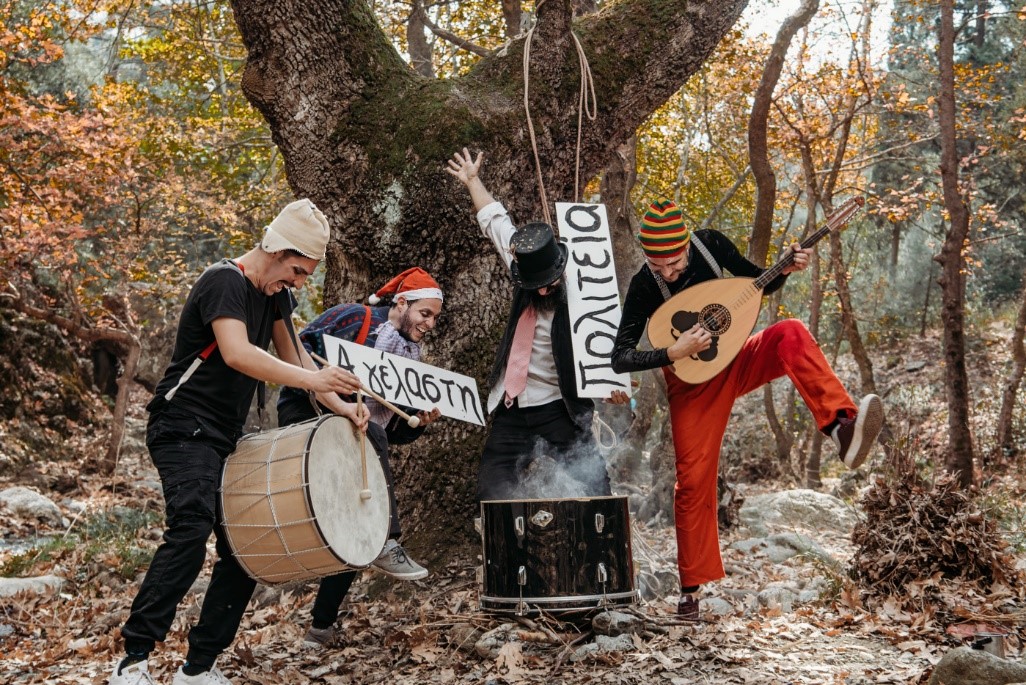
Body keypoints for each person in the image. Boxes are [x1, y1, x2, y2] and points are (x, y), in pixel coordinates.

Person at [110, 199, 368, 685]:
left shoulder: (276, 297)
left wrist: (343, 406)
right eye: (295, 270)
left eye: (305, 275)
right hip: (181, 424)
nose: (297, 282)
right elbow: (237, 353)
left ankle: (198, 668)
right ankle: (132, 660)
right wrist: (316, 383)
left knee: (248, 548)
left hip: (226, 434)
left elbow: (300, 365)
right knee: (190, 527)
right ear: (275, 248)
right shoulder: (223, 281)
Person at [611, 198, 884, 620]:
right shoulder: (645, 285)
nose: (667, 272)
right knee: (693, 482)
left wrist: (786, 268)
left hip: (736, 358)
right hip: (691, 386)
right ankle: (691, 594)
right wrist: (671, 350)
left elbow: (755, 283)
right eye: (657, 264)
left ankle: (842, 429)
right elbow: (621, 356)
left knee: (790, 333)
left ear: (687, 243)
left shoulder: (709, 246)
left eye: (674, 262)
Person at [276, 267, 444, 648]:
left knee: (357, 525)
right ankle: (387, 539)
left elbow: (396, 432)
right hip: (306, 411)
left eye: (435, 317)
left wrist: (420, 422)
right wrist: (334, 390)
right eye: (425, 314)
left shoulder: (409, 359)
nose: (430, 323)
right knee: (373, 438)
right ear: (402, 303)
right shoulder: (354, 318)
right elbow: (297, 353)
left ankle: (320, 627)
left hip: (362, 431)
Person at [446, 148, 627, 501]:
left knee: (594, 487)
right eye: (535, 285)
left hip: (559, 405)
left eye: (549, 282)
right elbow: (494, 221)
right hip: (512, 407)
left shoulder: (582, 290)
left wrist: (612, 386)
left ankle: (603, 549)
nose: (543, 289)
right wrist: (472, 180)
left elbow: (603, 337)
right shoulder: (523, 263)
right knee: (491, 490)